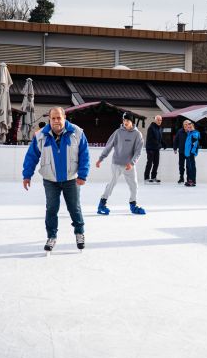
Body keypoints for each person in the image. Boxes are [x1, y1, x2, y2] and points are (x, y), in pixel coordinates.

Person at [22, 107, 89, 253]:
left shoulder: (77, 133)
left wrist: (83, 174)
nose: (56, 121)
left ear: (64, 117)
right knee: (51, 209)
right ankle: (51, 236)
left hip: (71, 179)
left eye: (59, 118)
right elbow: (31, 156)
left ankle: (79, 233)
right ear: (49, 119)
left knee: (74, 208)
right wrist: (27, 175)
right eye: (53, 118)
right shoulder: (41, 136)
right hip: (50, 179)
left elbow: (84, 154)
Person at [96, 112, 146, 215]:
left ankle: (133, 205)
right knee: (112, 183)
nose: (125, 122)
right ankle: (102, 204)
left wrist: (132, 163)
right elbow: (109, 146)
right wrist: (101, 158)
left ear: (132, 121)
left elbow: (138, 151)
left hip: (129, 165)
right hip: (117, 163)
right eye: (124, 120)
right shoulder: (118, 132)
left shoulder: (137, 134)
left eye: (127, 120)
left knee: (134, 185)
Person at [144, 115, 164, 183]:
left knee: (156, 163)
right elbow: (151, 139)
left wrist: (163, 144)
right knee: (149, 162)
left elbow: (160, 138)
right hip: (150, 148)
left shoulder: (160, 128)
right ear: (155, 120)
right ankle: (146, 177)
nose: (159, 121)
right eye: (158, 120)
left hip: (156, 148)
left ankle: (153, 177)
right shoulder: (151, 128)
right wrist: (159, 145)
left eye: (160, 120)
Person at [173, 120, 190, 184]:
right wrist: (175, 148)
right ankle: (181, 178)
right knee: (181, 165)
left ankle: (189, 178)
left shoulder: (191, 132)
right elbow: (176, 140)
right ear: (183, 125)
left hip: (189, 152)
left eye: (187, 124)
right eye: (185, 124)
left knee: (188, 166)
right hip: (181, 152)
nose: (186, 125)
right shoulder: (180, 132)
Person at [184, 121, 200, 187]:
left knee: (191, 167)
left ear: (193, 127)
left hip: (191, 153)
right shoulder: (189, 133)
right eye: (188, 127)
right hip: (188, 153)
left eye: (190, 127)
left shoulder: (194, 134)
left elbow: (195, 144)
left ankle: (192, 181)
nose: (189, 128)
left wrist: (192, 152)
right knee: (189, 167)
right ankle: (190, 180)